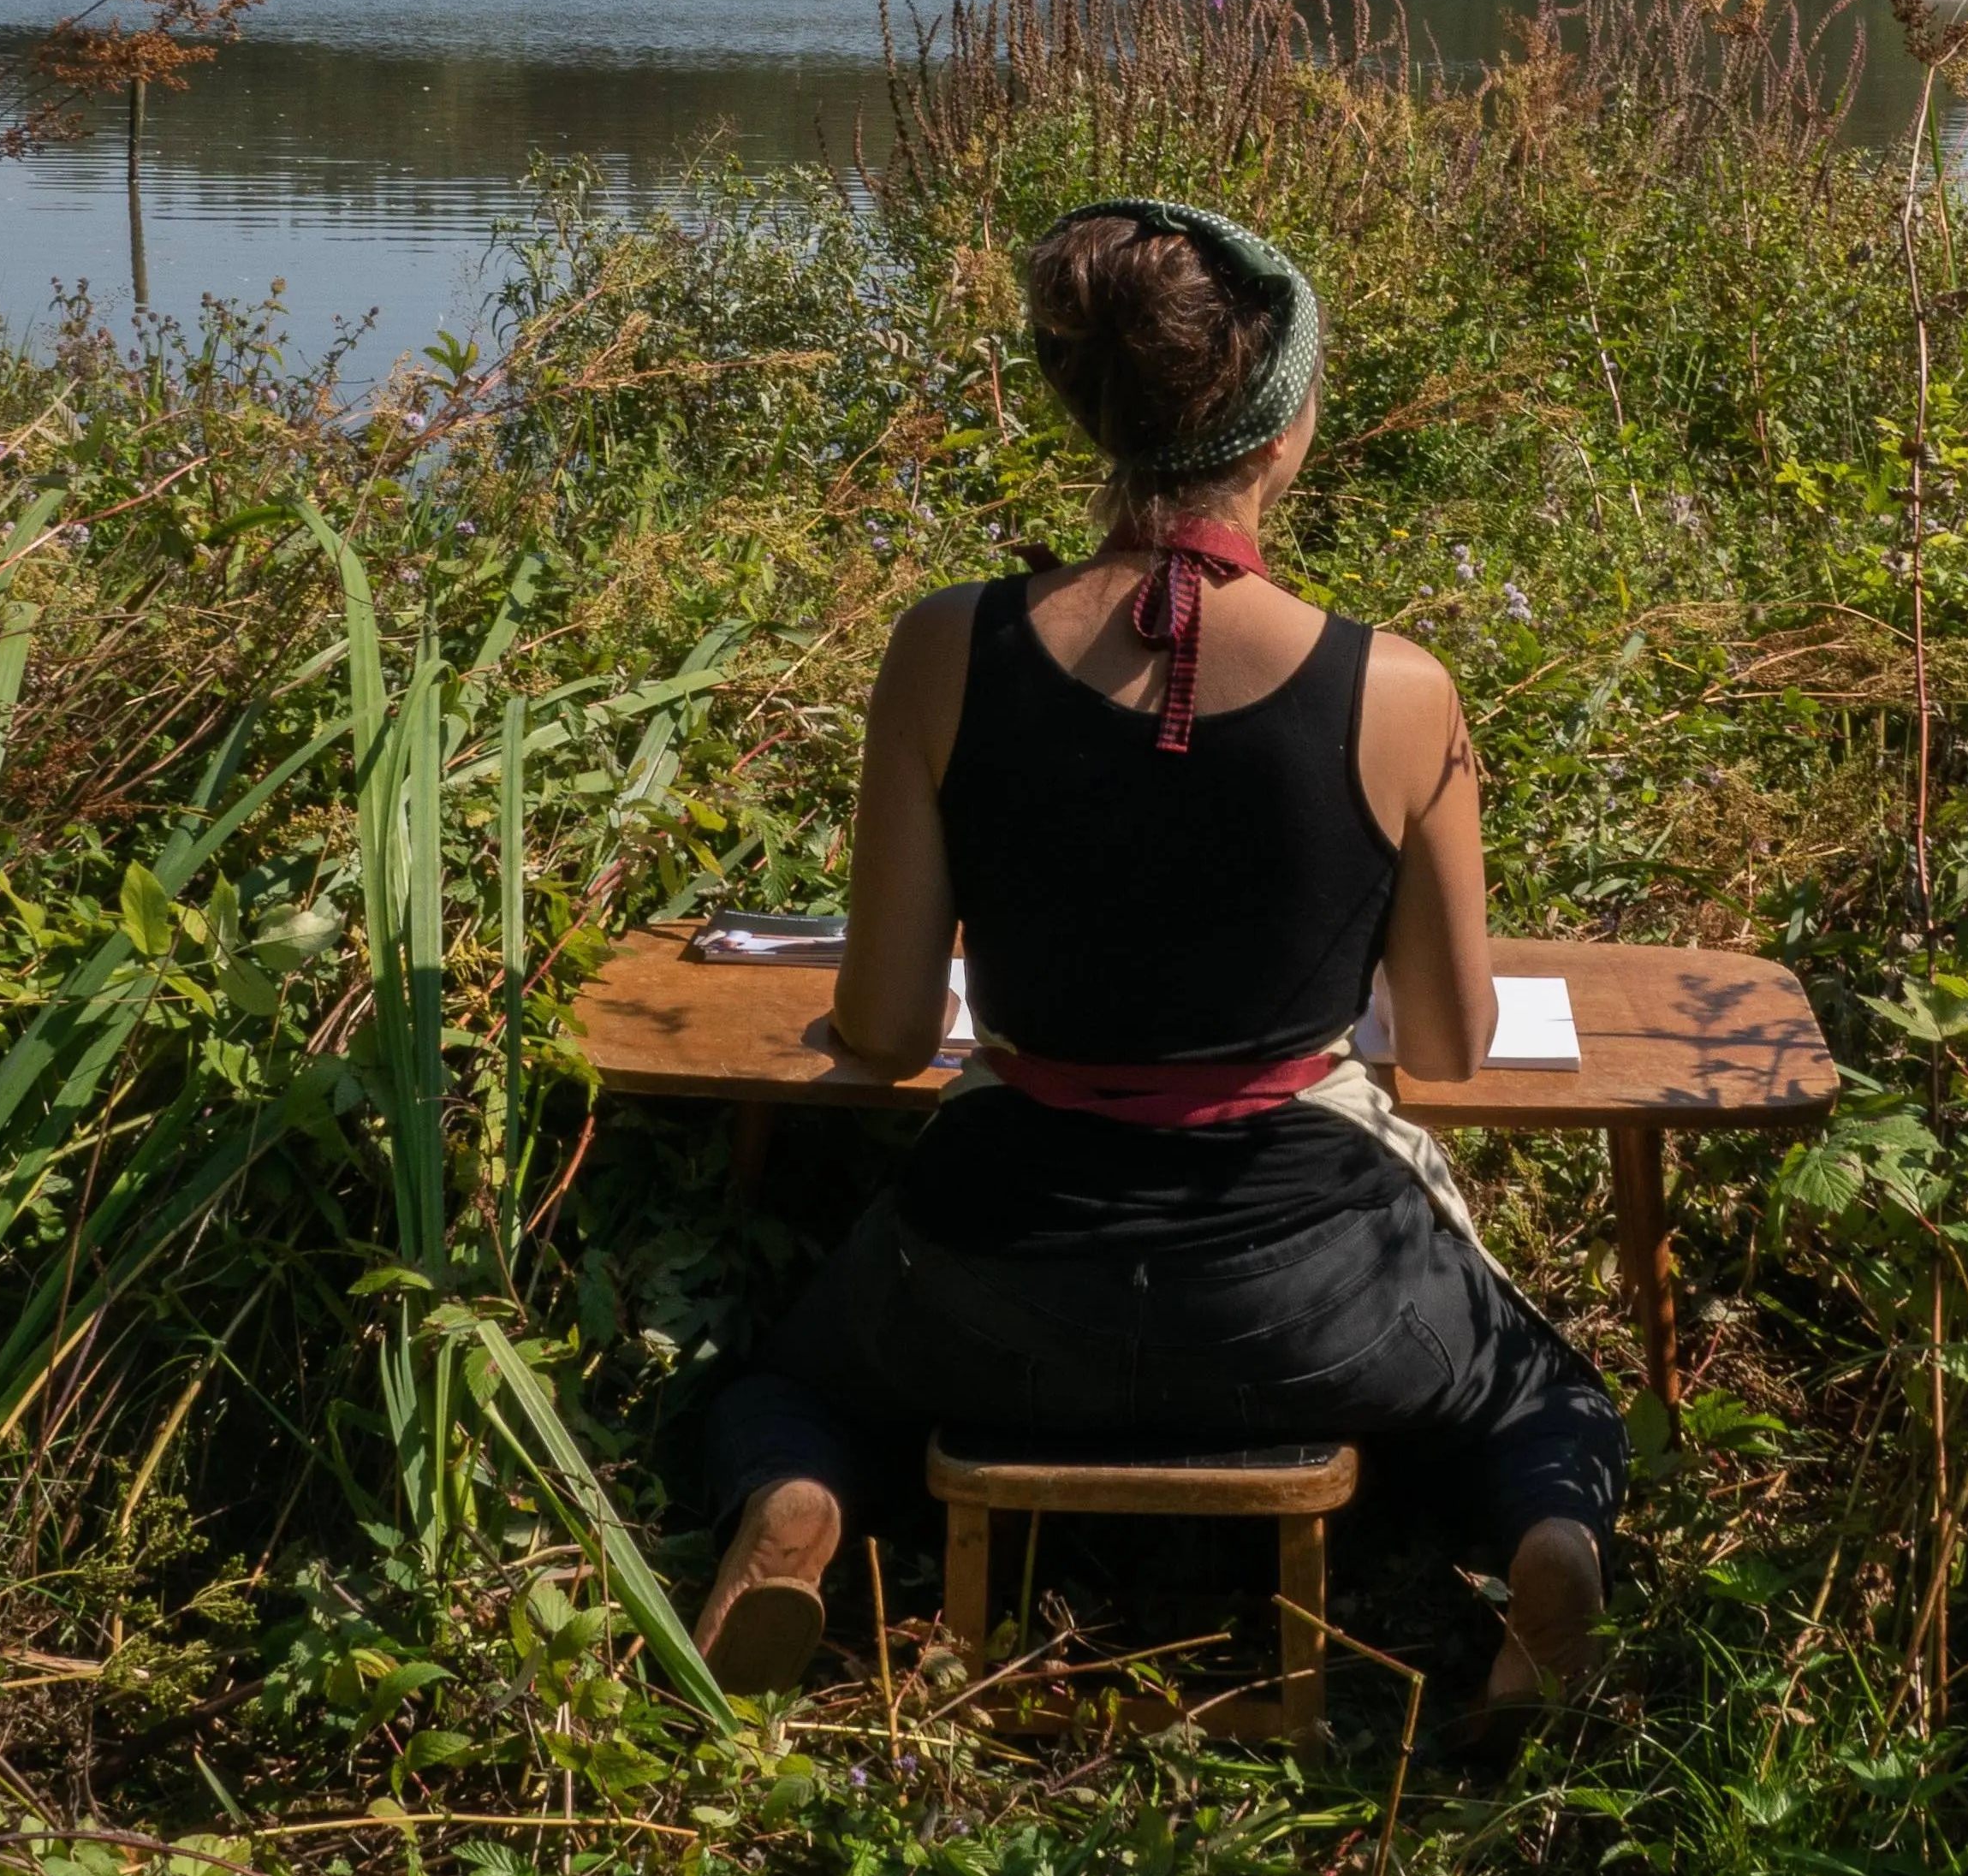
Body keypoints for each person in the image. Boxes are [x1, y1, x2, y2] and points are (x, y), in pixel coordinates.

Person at [687, 198, 1621, 1719]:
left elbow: (883, 1021)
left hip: (993, 1272)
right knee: (1548, 1401)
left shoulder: (944, 650)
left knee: (780, 1384)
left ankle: (794, 1516)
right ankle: (1548, 1560)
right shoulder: (1398, 689)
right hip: (1312, 1300)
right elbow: (1446, 1047)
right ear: (1285, 426)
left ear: (1087, 406)